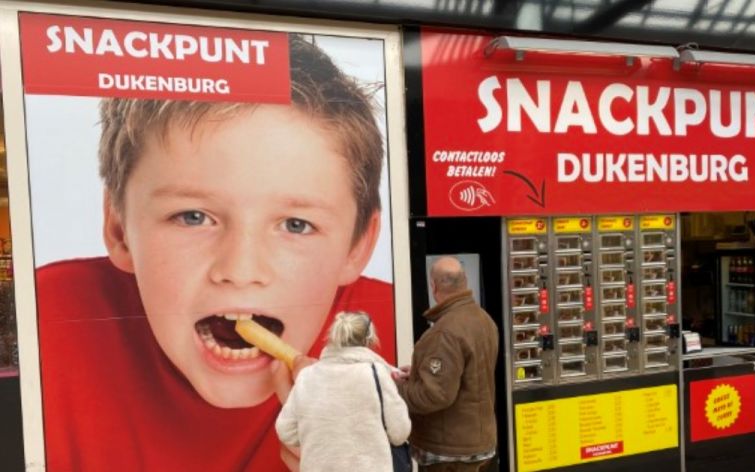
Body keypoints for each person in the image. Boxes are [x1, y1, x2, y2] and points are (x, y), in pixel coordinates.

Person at [36, 34, 394, 471]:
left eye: (296, 225)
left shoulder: (392, 343)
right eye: (192, 217)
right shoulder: (47, 326)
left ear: (357, 245)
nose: (240, 271)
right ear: (118, 228)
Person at [395, 256, 499, 471]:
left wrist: (396, 387)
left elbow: (435, 395)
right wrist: (418, 374)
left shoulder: (445, 332)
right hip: (478, 439)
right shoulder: (483, 319)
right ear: (465, 281)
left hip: (449, 450)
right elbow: (469, 373)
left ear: (433, 286)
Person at [276, 312, 410, 471]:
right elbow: (399, 432)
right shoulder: (377, 373)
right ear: (369, 339)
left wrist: (319, 439)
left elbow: (285, 430)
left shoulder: (307, 376)